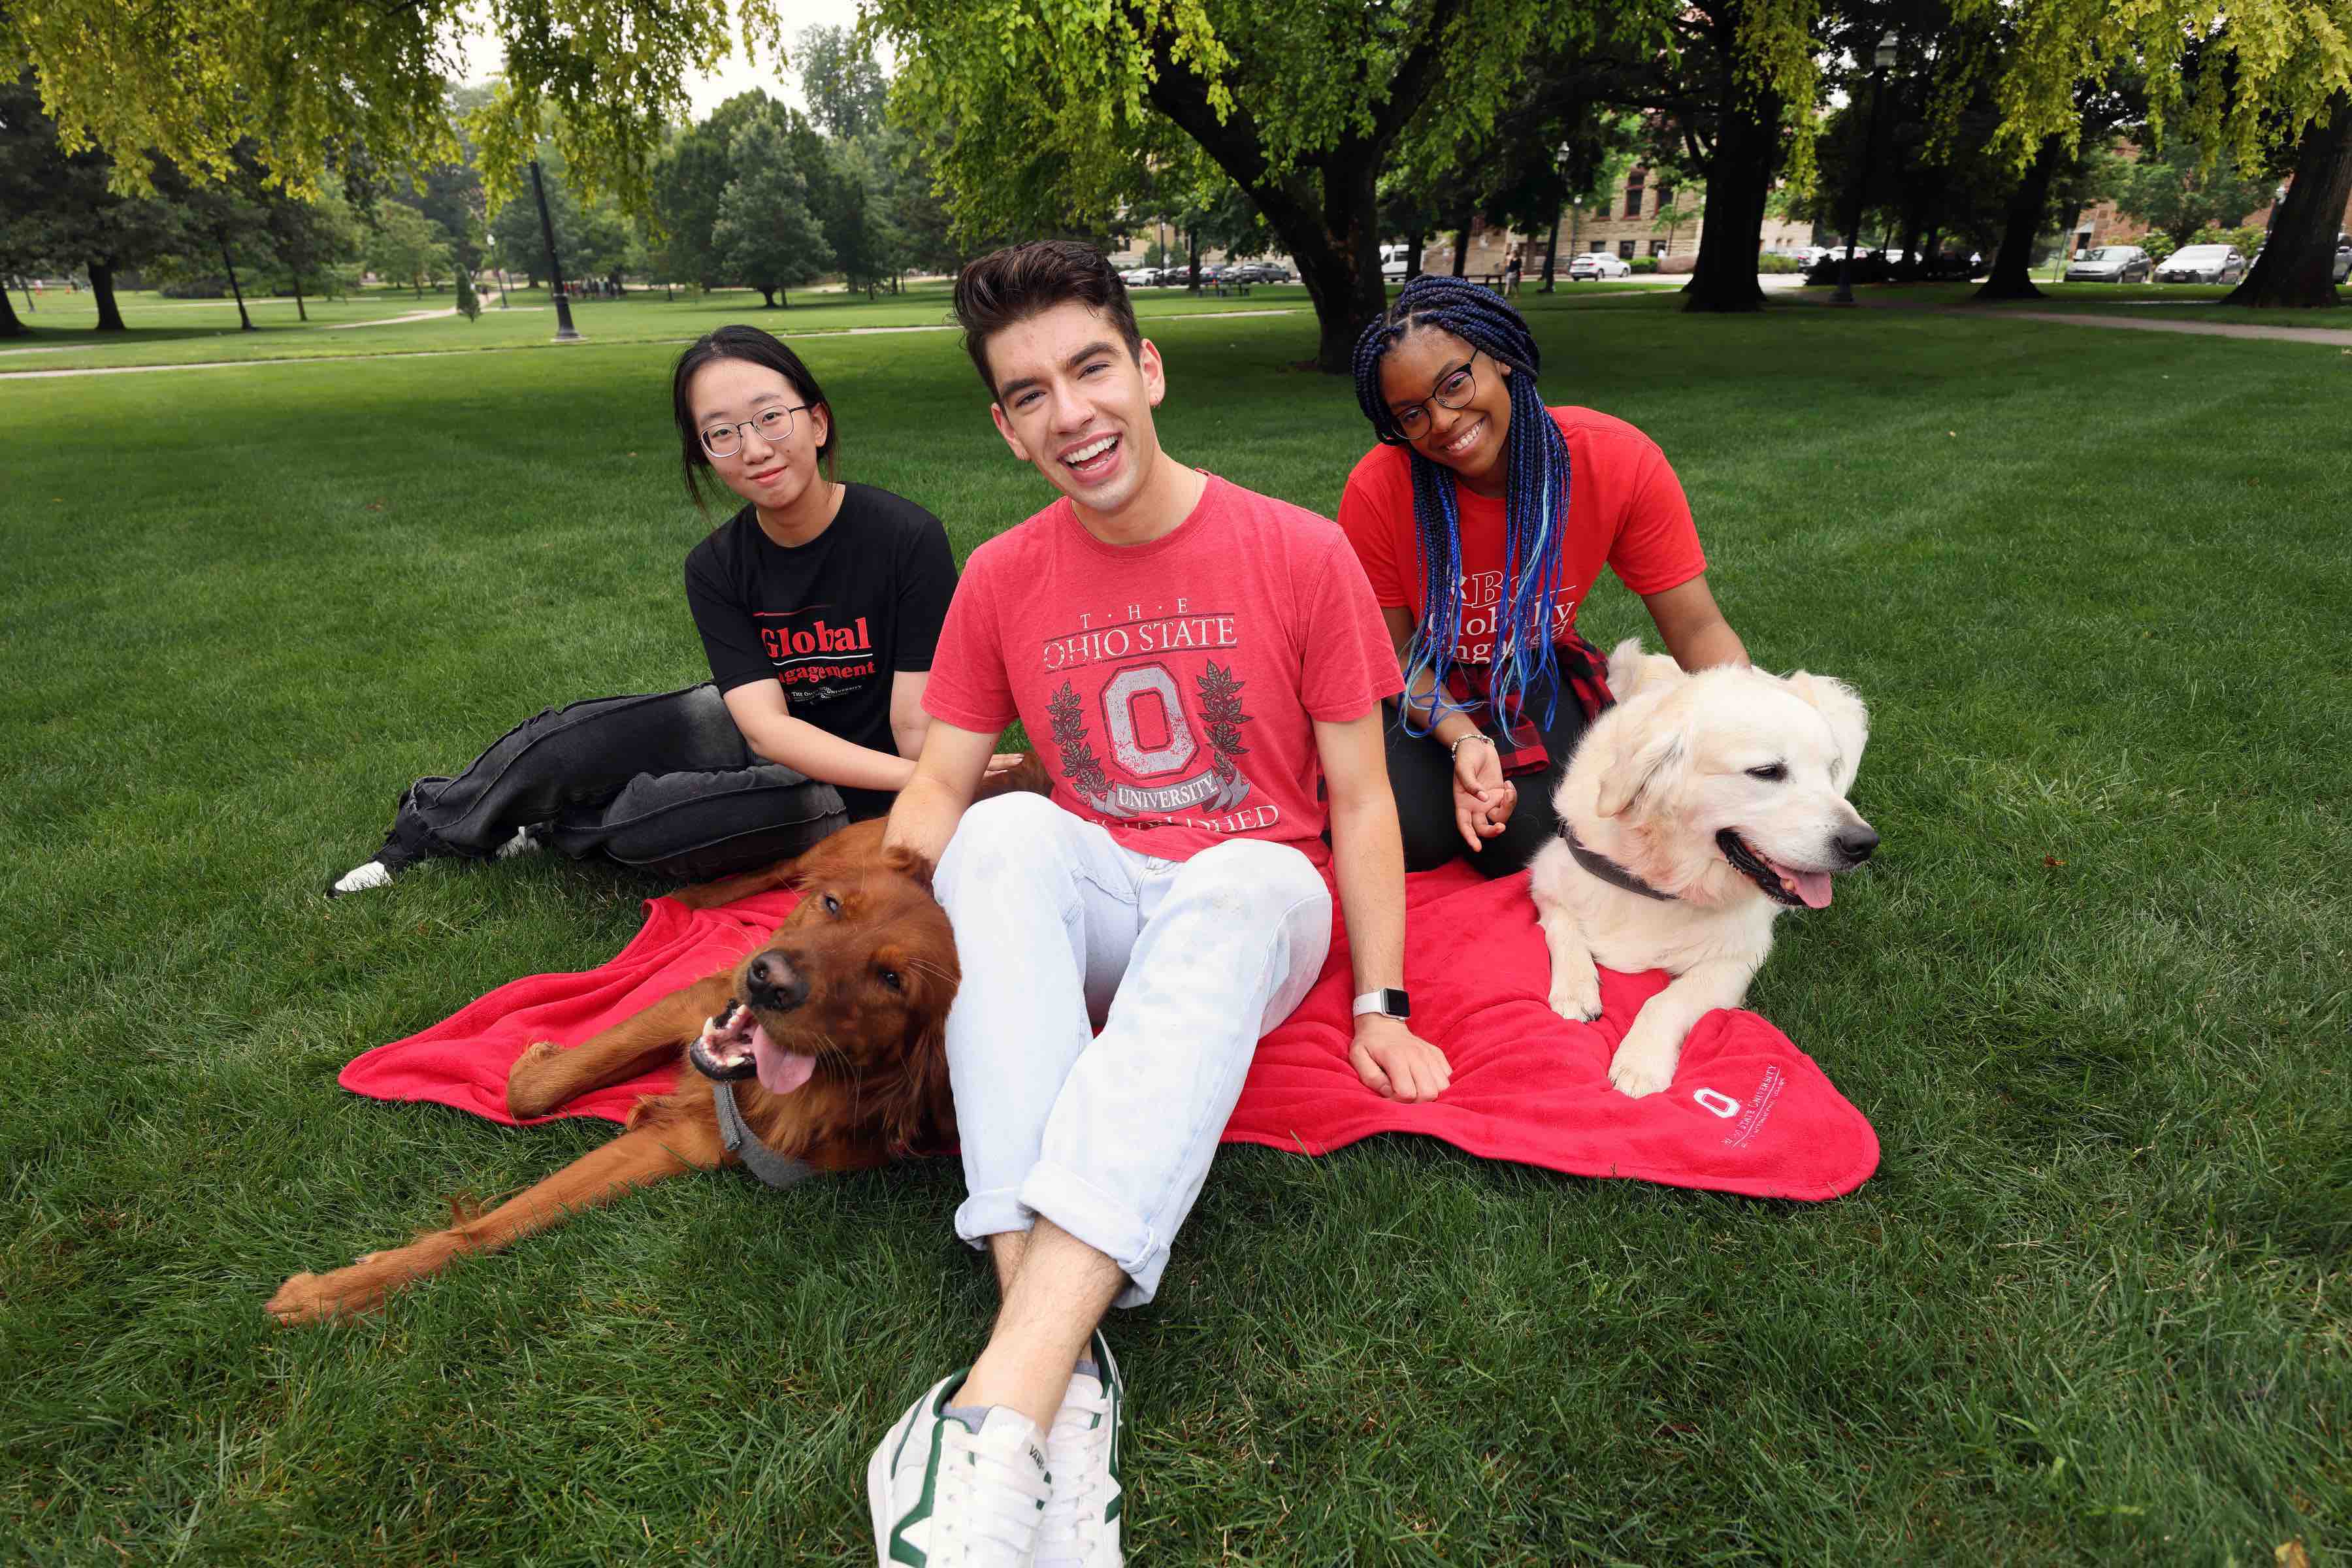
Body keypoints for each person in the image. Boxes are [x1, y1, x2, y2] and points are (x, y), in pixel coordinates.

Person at [864, 241, 1451, 1567]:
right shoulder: (1003, 578)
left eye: (1089, 369)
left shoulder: (1298, 553)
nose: (1071, 413)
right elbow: (941, 785)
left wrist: (1382, 999)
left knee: (1242, 875)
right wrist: (875, 927)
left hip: (1258, 897)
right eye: (1030, 394)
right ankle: (1049, 1408)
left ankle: (988, 1412)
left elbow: (1360, 800)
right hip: (1107, 887)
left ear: (1148, 367)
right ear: (1007, 430)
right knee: (1005, 831)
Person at [329, 325, 1015, 896]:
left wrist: (936, 781)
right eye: (722, 433)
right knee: (574, 736)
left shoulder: (905, 536)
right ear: (706, 454)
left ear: (817, 419)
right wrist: (930, 775)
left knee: (655, 824)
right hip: (762, 734)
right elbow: (767, 729)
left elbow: (910, 723)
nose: (754, 448)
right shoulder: (715, 565)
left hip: (851, 797)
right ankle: (426, 829)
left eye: (770, 416)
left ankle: (546, 831)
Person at [1338, 274, 1748, 876]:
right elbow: (1392, 654)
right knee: (1409, 834)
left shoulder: (1615, 460)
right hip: (1417, 685)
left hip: (1528, 660)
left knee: (1524, 839)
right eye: (1411, 415)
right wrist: (1464, 738)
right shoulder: (1378, 489)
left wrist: (1763, 740)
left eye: (1454, 383)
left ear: (1499, 358)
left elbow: (1696, 626)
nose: (1444, 422)